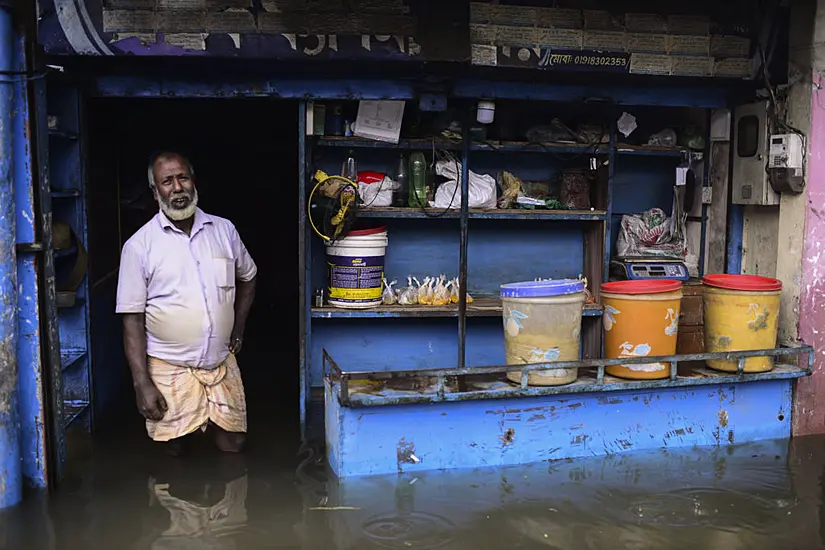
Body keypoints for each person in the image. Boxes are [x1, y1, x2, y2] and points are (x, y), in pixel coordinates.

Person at [116, 151, 257, 455]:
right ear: (156, 192)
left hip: (220, 360)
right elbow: (132, 320)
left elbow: (249, 276)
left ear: (194, 182)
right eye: (167, 181)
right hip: (168, 365)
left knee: (234, 443)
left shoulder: (224, 230)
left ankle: (232, 503)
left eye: (183, 178)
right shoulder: (139, 247)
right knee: (173, 448)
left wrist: (238, 327)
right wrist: (142, 383)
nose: (177, 188)